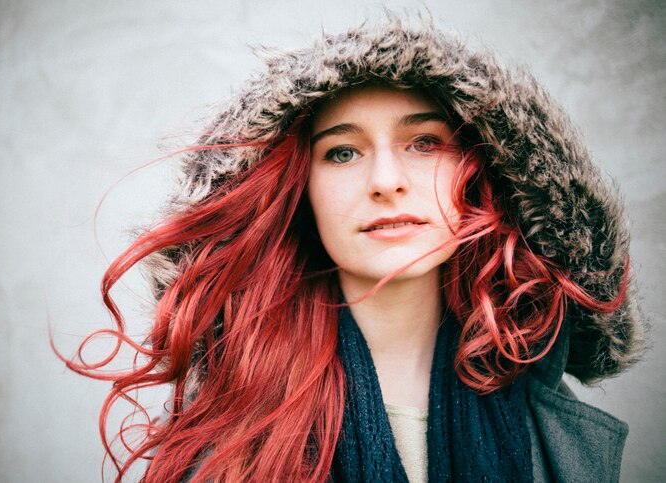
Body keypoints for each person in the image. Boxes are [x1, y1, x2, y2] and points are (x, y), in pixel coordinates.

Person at [61, 15, 646, 482]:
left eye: (424, 143)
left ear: (481, 173)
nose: (386, 179)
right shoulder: (225, 429)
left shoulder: (546, 420)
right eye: (342, 151)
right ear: (300, 190)